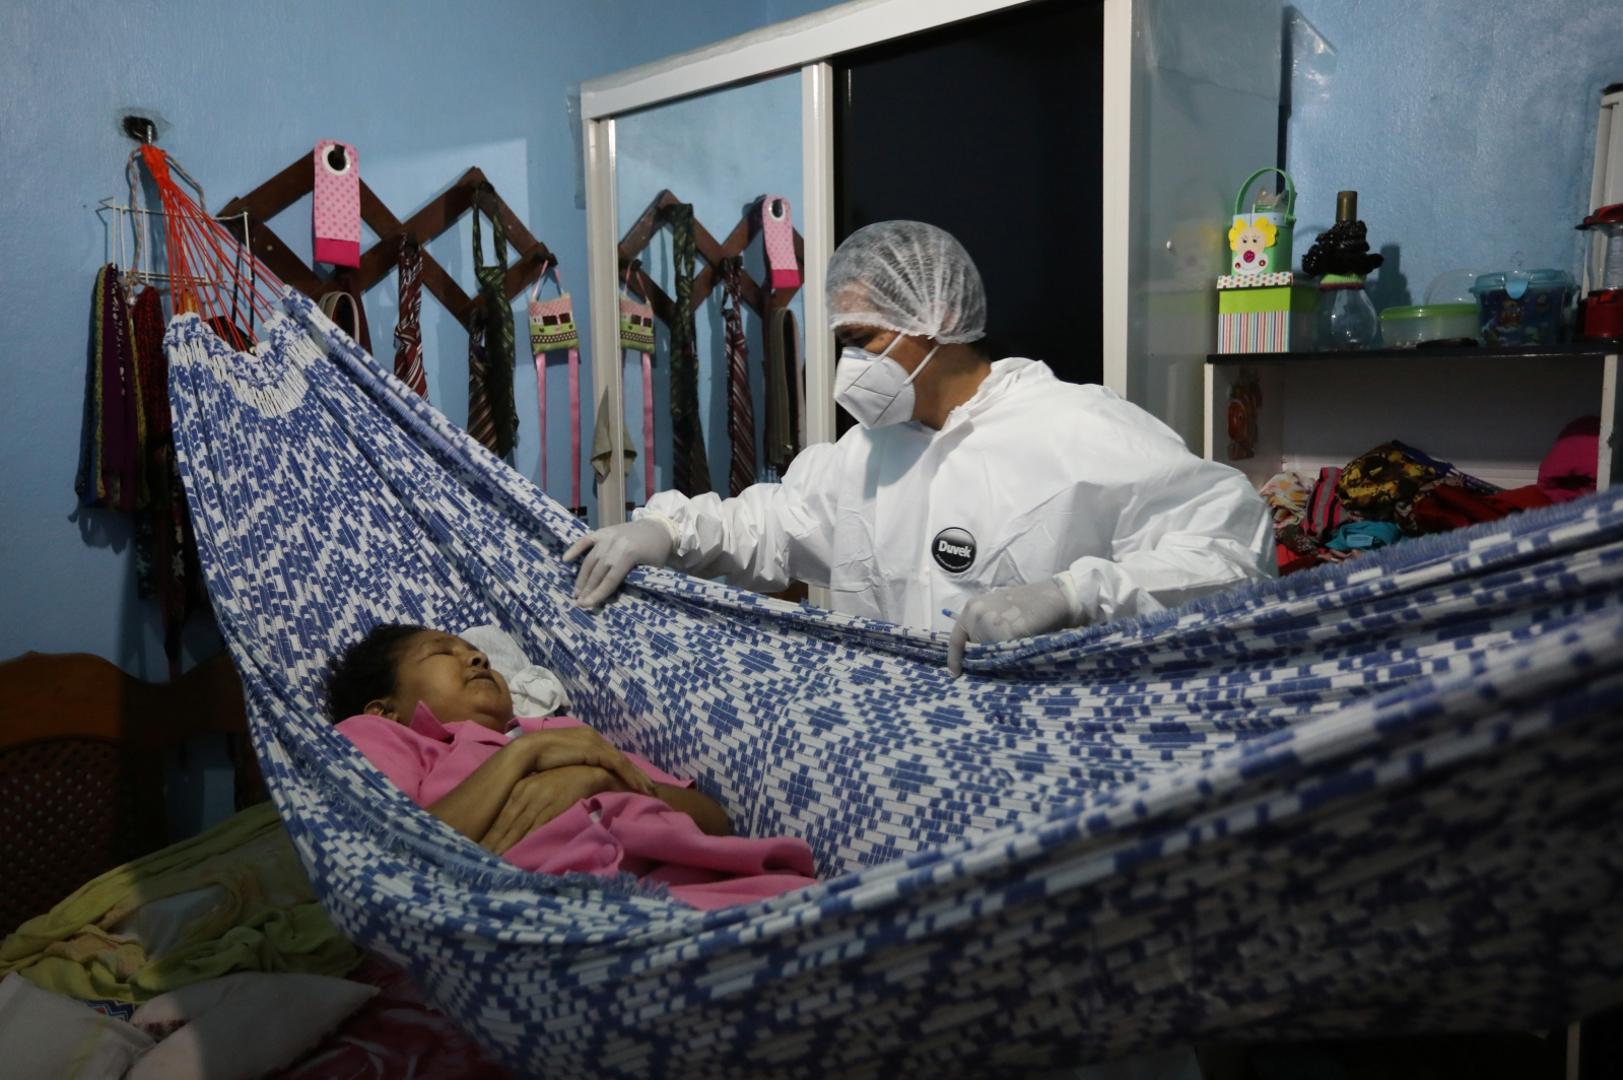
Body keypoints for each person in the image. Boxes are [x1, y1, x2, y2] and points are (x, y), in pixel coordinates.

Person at [565, 220, 1274, 675]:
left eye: (861, 342)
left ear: (933, 317)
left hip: (1044, 752)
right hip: (899, 742)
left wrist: (1073, 594)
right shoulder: (867, 453)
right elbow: (778, 522)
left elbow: (1230, 556)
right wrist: (669, 530)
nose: (848, 368)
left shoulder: (1080, 431)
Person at [326, 624, 818, 909]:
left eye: (474, 651)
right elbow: (393, 854)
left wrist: (596, 777)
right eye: (442, 652)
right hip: (554, 906)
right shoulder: (378, 735)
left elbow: (715, 820)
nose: (476, 656)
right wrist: (523, 756)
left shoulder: (566, 734)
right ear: (385, 708)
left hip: (688, 882)